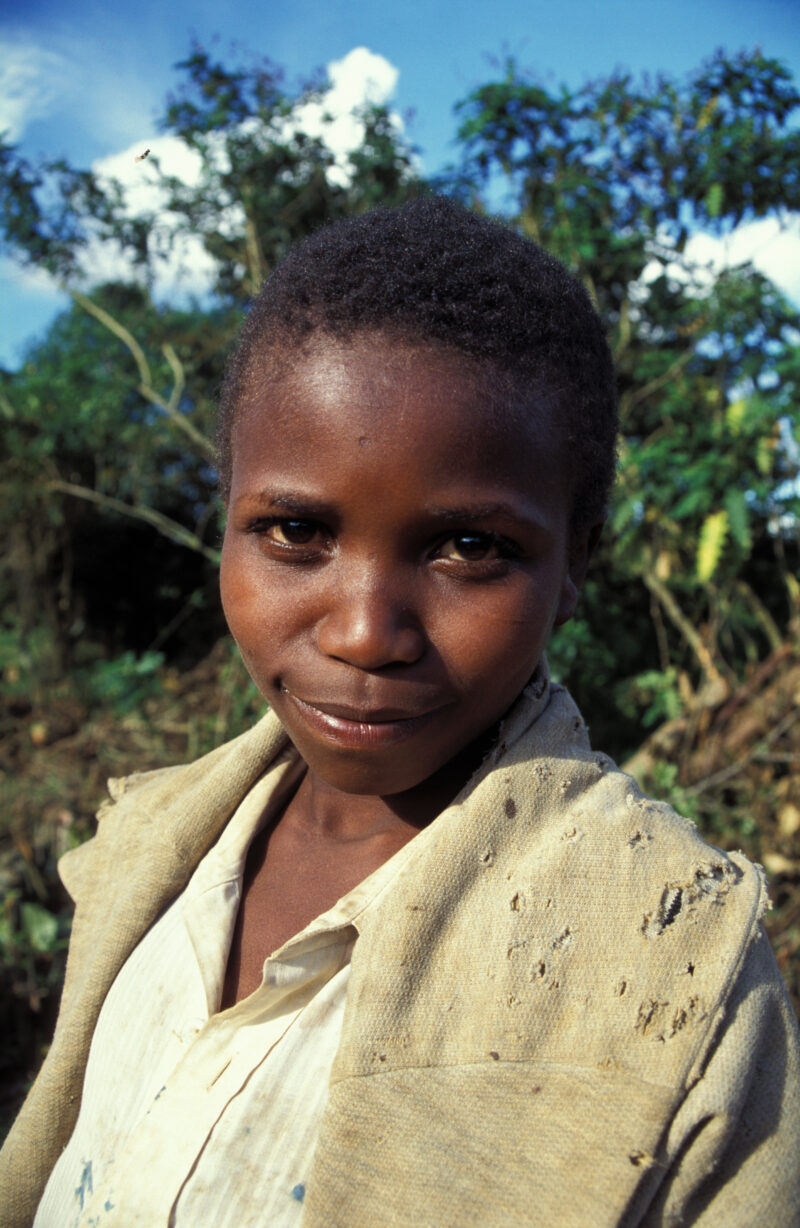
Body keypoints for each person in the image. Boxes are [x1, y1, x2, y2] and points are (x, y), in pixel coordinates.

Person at [2, 197, 798, 1227]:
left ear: (571, 570)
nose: (365, 632)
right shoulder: (150, 853)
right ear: (227, 519)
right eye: (294, 530)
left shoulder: (675, 975)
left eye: (468, 547)